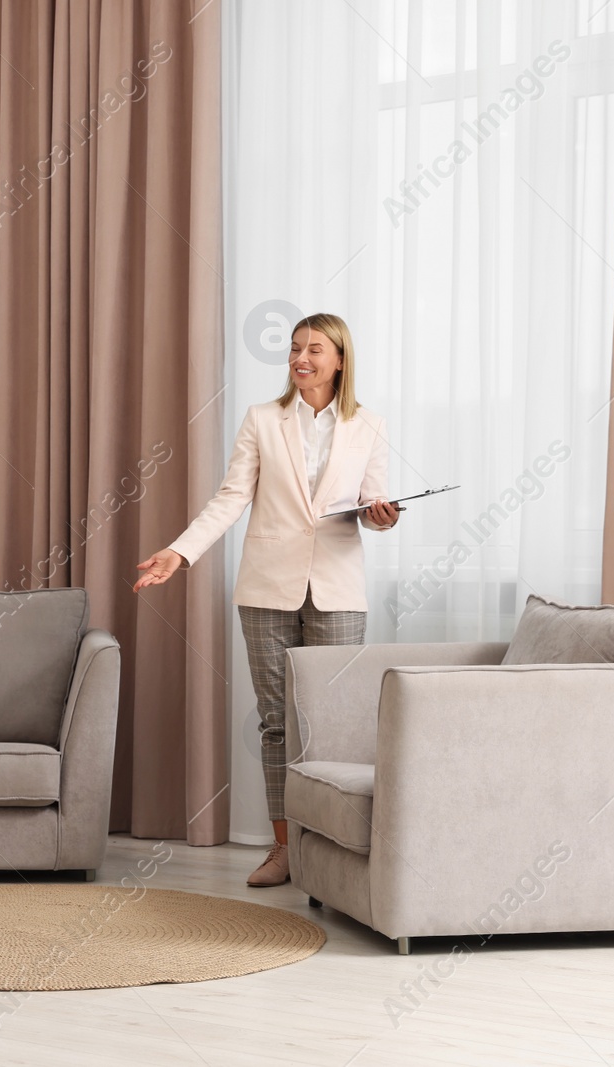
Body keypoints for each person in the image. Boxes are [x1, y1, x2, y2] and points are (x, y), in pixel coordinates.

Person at [134, 313, 399, 887]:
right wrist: (180, 553)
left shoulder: (369, 426)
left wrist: (384, 517)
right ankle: (284, 849)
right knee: (277, 723)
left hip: (337, 587)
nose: (301, 358)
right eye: (295, 348)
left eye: (315, 349)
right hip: (266, 587)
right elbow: (231, 498)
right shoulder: (263, 419)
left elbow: (373, 504)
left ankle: (330, 849)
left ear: (340, 361)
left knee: (333, 722)